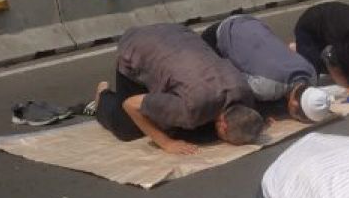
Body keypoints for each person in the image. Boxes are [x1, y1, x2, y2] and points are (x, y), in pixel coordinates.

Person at [93, 23, 264, 154]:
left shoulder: (244, 91)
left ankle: (157, 93)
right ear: (223, 126)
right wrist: (167, 143)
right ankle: (103, 96)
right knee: (128, 129)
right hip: (136, 46)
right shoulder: (192, 109)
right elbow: (131, 105)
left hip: (176, 33)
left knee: (178, 121)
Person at [201, 14, 332, 123]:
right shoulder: (266, 87)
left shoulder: (311, 73)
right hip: (221, 31)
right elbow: (232, 79)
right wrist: (262, 114)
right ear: (294, 104)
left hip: (252, 22)